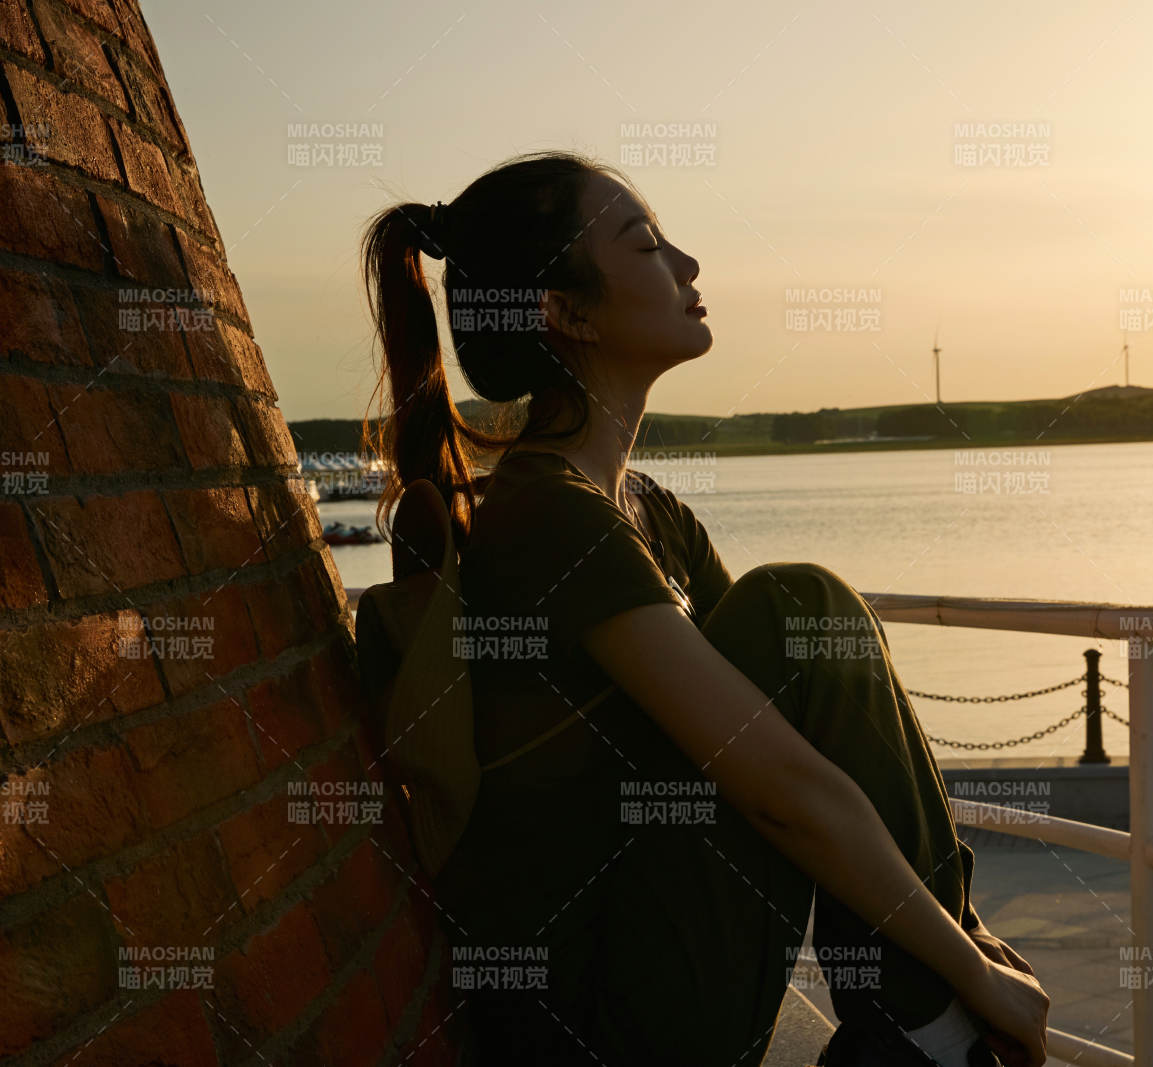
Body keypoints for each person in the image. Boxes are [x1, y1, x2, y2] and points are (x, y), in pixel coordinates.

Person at [358, 150, 1049, 1066]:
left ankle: (936, 1029)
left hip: (658, 958)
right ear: (564, 312)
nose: (688, 266)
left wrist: (964, 947)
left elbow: (813, 727)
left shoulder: (647, 512)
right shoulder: (544, 519)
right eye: (645, 245)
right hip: (590, 1019)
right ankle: (943, 1028)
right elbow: (785, 792)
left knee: (805, 618)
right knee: (797, 604)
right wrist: (975, 968)